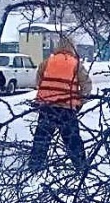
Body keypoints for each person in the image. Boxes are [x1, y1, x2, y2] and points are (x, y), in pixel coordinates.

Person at [27, 36, 91, 174]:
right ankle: (81, 166)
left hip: (47, 107)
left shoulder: (47, 62)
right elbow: (86, 85)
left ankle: (35, 166)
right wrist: (80, 102)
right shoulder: (76, 64)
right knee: (72, 139)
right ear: (72, 47)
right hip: (66, 108)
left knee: (41, 139)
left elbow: (39, 81)